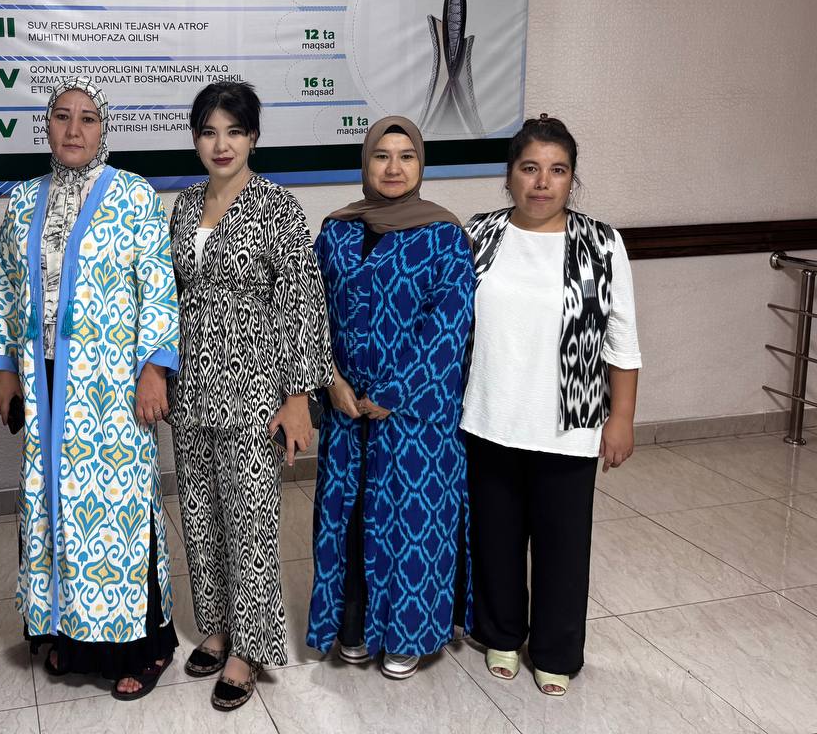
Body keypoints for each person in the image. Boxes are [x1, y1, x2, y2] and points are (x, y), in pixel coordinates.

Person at [0, 77, 180, 701]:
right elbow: (7, 286)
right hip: (43, 381)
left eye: (88, 118)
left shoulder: (134, 194)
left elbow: (158, 286)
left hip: (113, 384)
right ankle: (70, 637)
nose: (74, 129)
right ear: (46, 125)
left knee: (118, 509)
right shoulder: (23, 199)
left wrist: (154, 369)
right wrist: (3, 366)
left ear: (105, 128)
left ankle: (142, 645)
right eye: (62, 116)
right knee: (52, 507)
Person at [462, 114, 641, 696]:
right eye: (530, 168)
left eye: (557, 171)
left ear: (572, 179)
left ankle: (556, 651)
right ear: (509, 175)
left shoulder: (601, 242)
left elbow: (622, 339)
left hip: (569, 423)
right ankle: (501, 635)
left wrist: (621, 417)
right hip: (489, 415)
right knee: (496, 538)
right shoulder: (479, 234)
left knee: (563, 547)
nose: (542, 182)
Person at [166, 82, 331, 710]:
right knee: (199, 513)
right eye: (209, 131)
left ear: (253, 138)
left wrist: (298, 395)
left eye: (234, 131)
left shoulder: (277, 206)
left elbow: (302, 303)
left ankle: (250, 649)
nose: (222, 144)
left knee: (251, 524)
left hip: (255, 388)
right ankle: (214, 627)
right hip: (192, 385)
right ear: (196, 139)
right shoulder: (184, 206)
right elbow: (171, 294)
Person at [307, 116, 475, 680]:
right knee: (351, 519)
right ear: (366, 163)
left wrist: (394, 392)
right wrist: (331, 380)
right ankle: (353, 629)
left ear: (421, 165)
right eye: (382, 155)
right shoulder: (336, 231)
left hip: (416, 416)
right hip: (346, 408)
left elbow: (449, 326)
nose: (394, 167)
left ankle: (407, 634)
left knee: (410, 524)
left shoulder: (444, 235)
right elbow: (313, 314)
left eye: (407, 156)